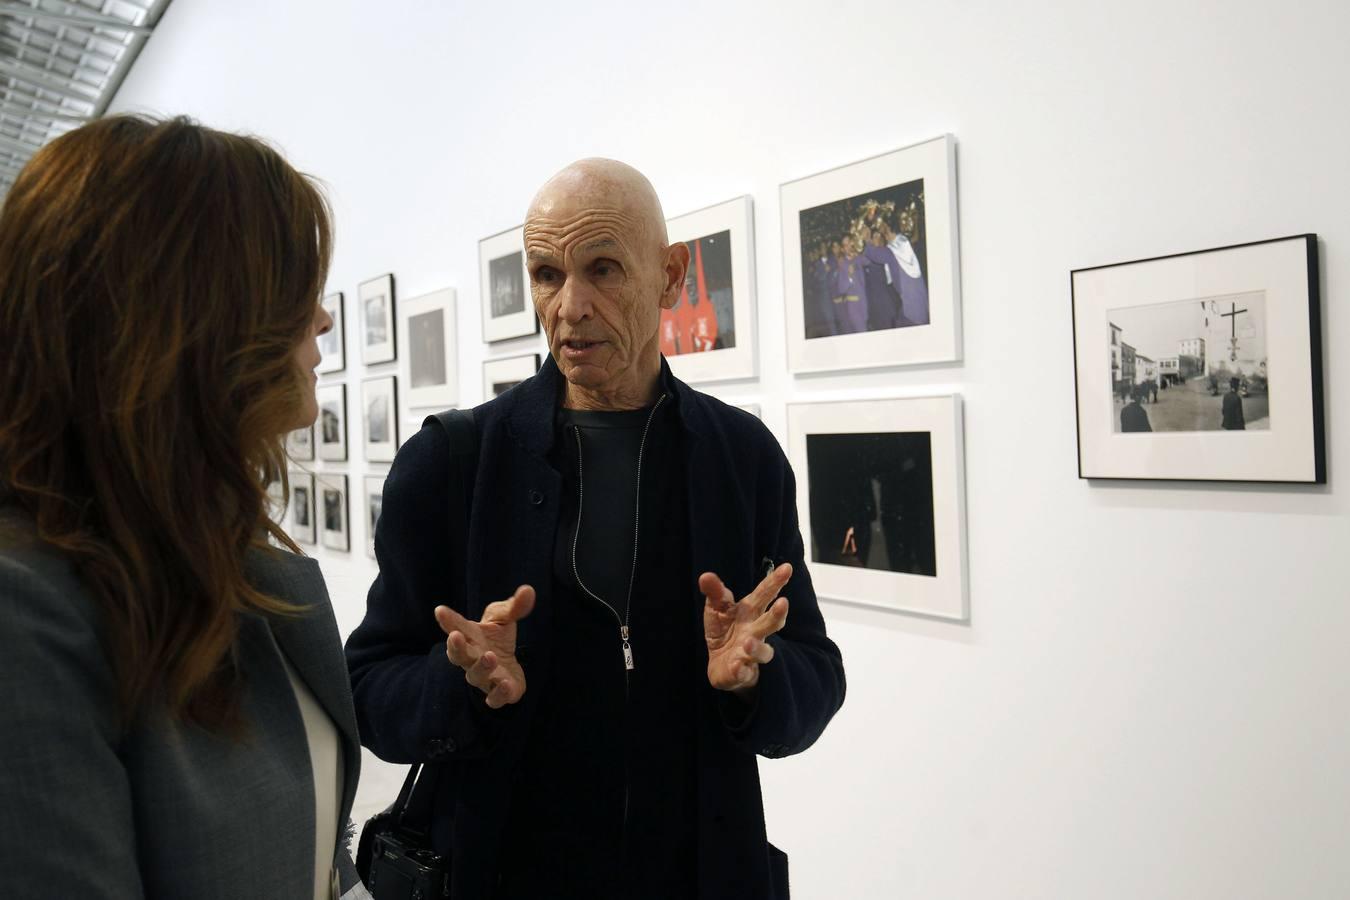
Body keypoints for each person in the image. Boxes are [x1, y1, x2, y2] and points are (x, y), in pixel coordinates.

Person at [346, 158, 846, 900]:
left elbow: (816, 673)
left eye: (603, 268)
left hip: (699, 872)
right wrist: (457, 683)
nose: (570, 306)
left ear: (671, 275)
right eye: (546, 274)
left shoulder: (741, 458)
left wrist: (755, 676)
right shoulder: (451, 463)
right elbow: (368, 688)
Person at [0, 115, 368, 900]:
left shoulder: (243, 566)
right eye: (293, 287)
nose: (323, 318)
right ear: (198, 319)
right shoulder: (24, 617)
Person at [881, 217, 930, 326]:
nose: (884, 234)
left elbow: (887, 252)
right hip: (905, 285)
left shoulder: (900, 242)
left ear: (891, 230)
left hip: (909, 282)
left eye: (886, 231)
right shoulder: (898, 241)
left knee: (914, 313)